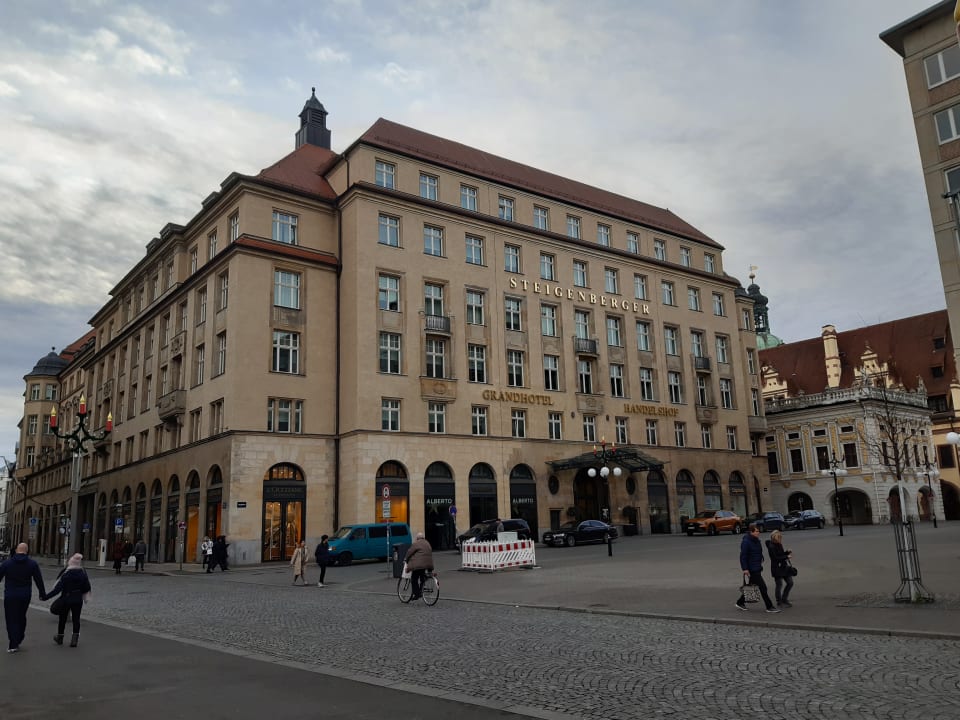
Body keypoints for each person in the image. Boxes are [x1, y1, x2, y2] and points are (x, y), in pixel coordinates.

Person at [0, 542, 47, 652]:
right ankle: (20, 636)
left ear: (16, 550)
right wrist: (42, 594)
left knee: (11, 619)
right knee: (21, 616)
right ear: (27, 551)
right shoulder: (32, 564)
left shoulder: (7, 563)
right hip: (25, 595)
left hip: (10, 595)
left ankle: (13, 643)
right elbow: (38, 580)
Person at [42, 553, 91, 647]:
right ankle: (74, 640)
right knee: (76, 619)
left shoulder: (66, 574)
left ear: (70, 563)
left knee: (62, 618)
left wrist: (46, 597)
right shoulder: (83, 574)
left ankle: (60, 637)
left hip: (66, 599)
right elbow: (87, 588)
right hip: (77, 600)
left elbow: (57, 590)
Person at [736, 524, 779, 613]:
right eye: (756, 531)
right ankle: (769, 606)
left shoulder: (756, 540)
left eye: (758, 531)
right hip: (752, 569)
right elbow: (743, 556)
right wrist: (745, 569)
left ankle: (740, 602)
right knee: (763, 587)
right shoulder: (746, 542)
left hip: (757, 567)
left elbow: (758, 552)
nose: (758, 532)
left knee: (751, 587)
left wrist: (761, 558)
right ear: (751, 532)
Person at [766, 530, 794, 608]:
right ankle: (779, 601)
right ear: (775, 538)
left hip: (784, 567)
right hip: (776, 568)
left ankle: (784, 599)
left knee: (790, 582)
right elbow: (775, 558)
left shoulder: (779, 544)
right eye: (779, 537)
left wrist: (787, 552)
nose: (781, 538)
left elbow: (781, 554)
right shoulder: (771, 547)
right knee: (779, 585)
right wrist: (786, 556)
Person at [403, 532, 434, 601]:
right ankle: (421, 589)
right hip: (428, 564)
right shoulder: (427, 543)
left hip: (419, 564)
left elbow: (409, 552)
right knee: (422, 576)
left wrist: (405, 559)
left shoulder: (416, 543)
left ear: (417, 538)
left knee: (414, 579)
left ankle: (417, 594)